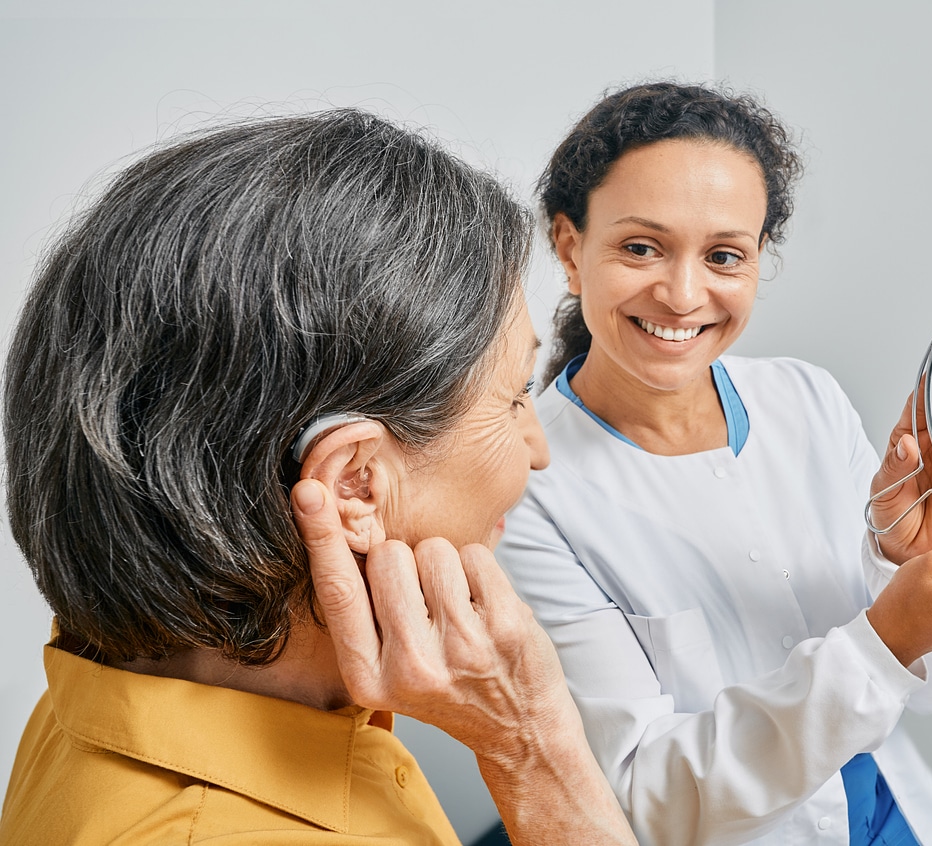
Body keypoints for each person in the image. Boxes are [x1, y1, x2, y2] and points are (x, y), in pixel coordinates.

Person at [0, 109, 636, 846]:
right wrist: (535, 751)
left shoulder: (118, 667)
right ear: (355, 484)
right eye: (516, 394)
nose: (538, 448)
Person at [497, 81, 932, 846]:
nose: (682, 294)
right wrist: (889, 635)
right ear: (570, 249)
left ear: (758, 259)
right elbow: (646, 797)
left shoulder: (805, 398)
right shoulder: (529, 484)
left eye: (723, 256)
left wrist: (904, 564)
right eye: (641, 247)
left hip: (897, 820)